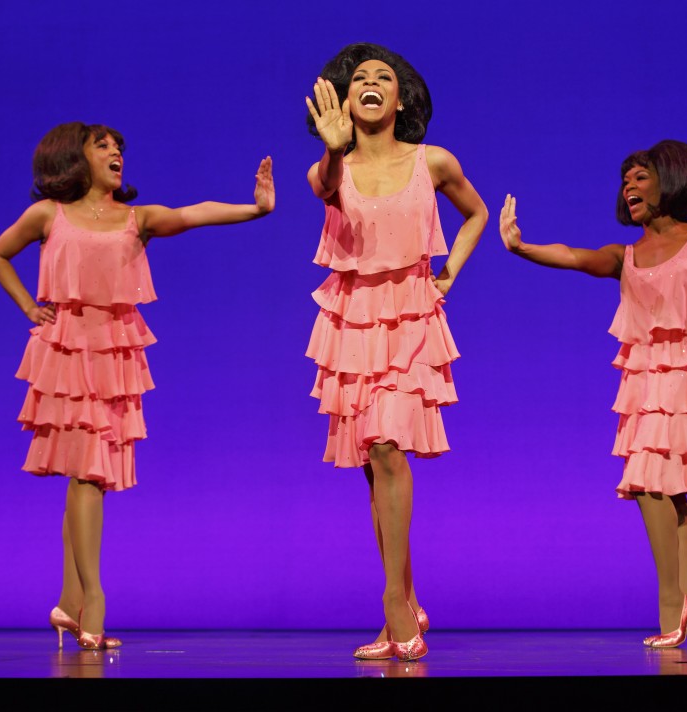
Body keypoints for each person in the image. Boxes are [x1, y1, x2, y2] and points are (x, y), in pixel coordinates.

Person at [0, 122, 274, 649]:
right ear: (74, 158)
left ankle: (67, 603)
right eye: (102, 146)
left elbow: (191, 214)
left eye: (119, 147)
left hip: (113, 354)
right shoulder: (49, 215)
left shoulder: (134, 220)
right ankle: (91, 599)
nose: (116, 152)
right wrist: (30, 306)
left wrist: (254, 208)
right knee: (86, 474)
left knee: (85, 475)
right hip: (67, 353)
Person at [499, 140, 687, 647]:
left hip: (684, 378)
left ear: (673, 179)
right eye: (625, 180)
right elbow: (574, 256)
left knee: (649, 483)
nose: (629, 186)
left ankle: (673, 605)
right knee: (670, 491)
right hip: (643, 378)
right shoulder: (625, 256)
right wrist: (521, 246)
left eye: (640, 176)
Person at [304, 43, 487, 661]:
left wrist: (451, 271)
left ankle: (393, 604)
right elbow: (326, 185)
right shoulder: (331, 168)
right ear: (347, 99)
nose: (372, 83)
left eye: (384, 77)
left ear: (400, 98)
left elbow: (475, 213)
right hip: (354, 320)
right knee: (371, 468)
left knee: (387, 448)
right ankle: (405, 600)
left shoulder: (432, 160)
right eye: (360, 78)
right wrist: (333, 146)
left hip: (409, 316)